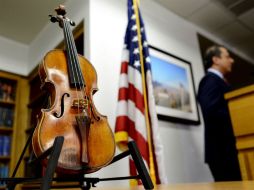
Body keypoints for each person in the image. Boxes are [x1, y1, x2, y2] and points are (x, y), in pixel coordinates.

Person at [197, 45, 242, 181]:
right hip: (223, 153)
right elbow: (211, 112)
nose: (232, 60)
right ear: (216, 59)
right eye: (227, 57)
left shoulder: (220, 81)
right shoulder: (209, 81)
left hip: (229, 151)